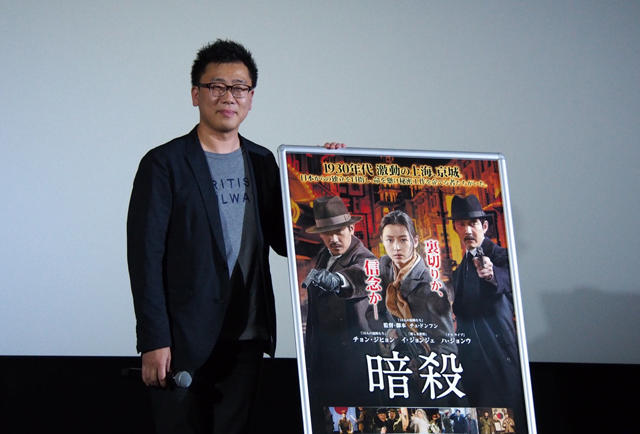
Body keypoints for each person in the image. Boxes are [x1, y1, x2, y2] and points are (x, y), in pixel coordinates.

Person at [127, 39, 343, 434]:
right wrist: (153, 339)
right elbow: (145, 260)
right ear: (196, 94)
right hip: (183, 339)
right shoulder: (164, 164)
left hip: (247, 334)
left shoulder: (262, 161)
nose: (229, 97)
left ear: (251, 98)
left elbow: (286, 240)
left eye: (239, 88)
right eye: (217, 86)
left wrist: (323, 177)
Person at [302, 195, 378, 428]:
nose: (333, 239)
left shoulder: (364, 258)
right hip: (324, 359)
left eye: (339, 232)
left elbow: (365, 272)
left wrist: (337, 280)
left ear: (351, 229)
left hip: (353, 361)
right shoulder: (324, 257)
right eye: (327, 233)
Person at [449, 195, 524, 419]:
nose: (467, 230)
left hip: (499, 357)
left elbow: (506, 279)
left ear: (484, 226)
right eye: (462, 224)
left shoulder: (501, 257)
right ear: (455, 228)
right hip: (472, 363)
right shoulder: (459, 271)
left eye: (472, 223)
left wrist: (491, 275)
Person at [378, 210, 459, 404]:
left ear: (415, 241)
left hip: (431, 379)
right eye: (389, 240)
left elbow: (448, 346)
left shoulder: (431, 287)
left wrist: (424, 366)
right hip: (398, 373)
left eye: (403, 240)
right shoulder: (386, 268)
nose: (396, 247)